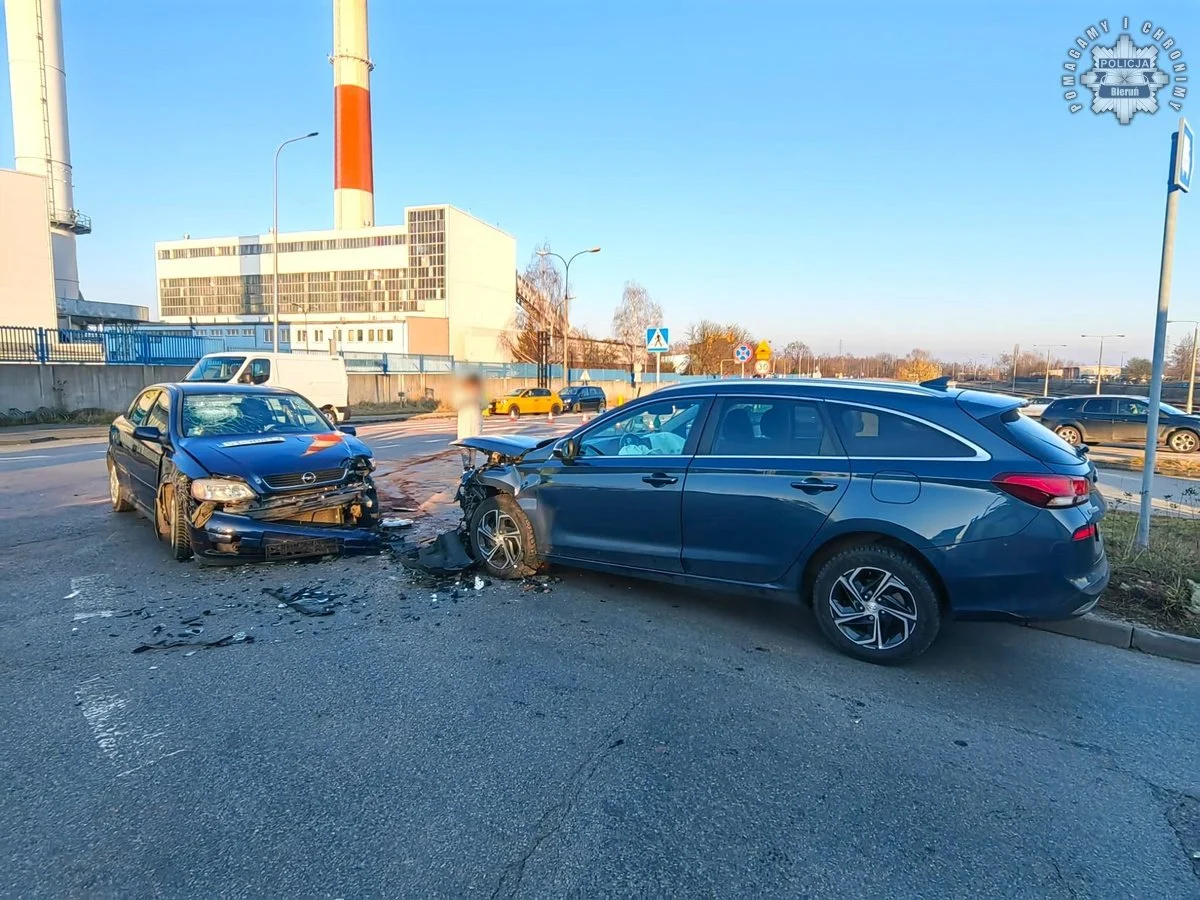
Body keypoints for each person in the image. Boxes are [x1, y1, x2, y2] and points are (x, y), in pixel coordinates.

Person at [454, 372, 485, 469]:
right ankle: (468, 467)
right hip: (467, 424)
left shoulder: (477, 394)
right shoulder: (462, 393)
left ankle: (469, 468)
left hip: (472, 423)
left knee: (470, 447)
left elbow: (483, 405)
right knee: (467, 447)